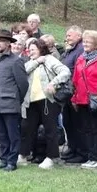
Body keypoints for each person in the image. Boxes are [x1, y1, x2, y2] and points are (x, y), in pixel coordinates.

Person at [20, 39, 70, 170]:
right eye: (29, 50)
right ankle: (23, 154)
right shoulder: (30, 62)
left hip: (48, 100)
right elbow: (22, 72)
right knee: (27, 128)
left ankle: (51, 157)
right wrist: (36, 62)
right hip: (31, 101)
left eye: (33, 50)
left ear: (40, 49)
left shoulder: (50, 59)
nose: (30, 52)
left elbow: (65, 72)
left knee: (50, 129)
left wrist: (54, 83)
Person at [72, 30, 97, 169]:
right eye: (84, 41)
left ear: (96, 44)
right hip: (82, 99)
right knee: (86, 128)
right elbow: (76, 79)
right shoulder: (81, 58)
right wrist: (74, 97)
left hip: (96, 99)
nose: (85, 44)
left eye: (88, 42)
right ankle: (90, 156)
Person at [0, 30, 28, 171]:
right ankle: (3, 159)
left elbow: (23, 85)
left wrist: (16, 100)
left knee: (13, 135)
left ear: (8, 44)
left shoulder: (16, 61)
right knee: (1, 135)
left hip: (10, 104)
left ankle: (12, 161)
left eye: (1, 41)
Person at [60, 26, 86, 164]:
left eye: (70, 35)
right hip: (66, 92)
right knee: (68, 122)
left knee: (77, 124)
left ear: (78, 35)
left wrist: (75, 94)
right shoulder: (70, 50)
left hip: (75, 91)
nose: (67, 37)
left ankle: (80, 152)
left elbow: (78, 73)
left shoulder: (80, 50)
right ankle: (72, 147)